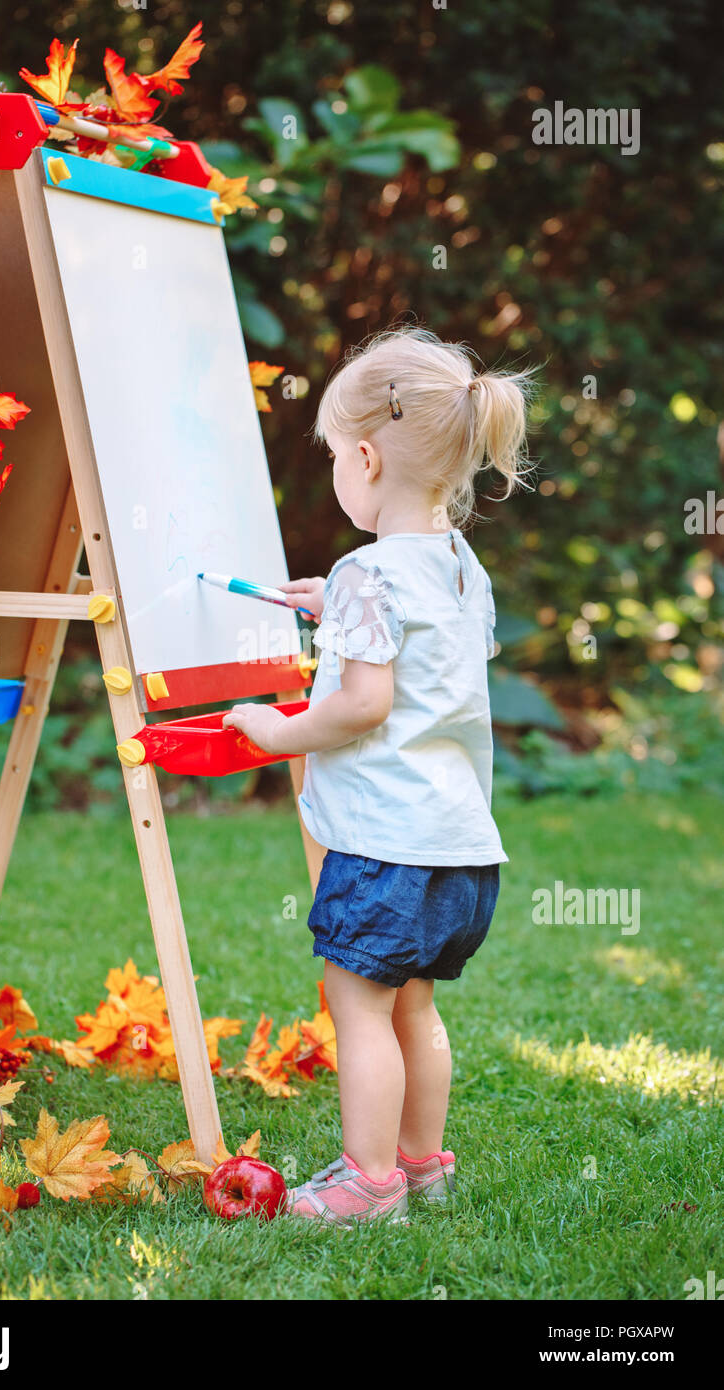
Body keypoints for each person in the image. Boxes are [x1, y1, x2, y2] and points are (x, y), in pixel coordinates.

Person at [222, 326, 534, 1226]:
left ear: (365, 457)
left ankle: (367, 1184)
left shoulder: (369, 571)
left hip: (385, 850)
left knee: (358, 1010)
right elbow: (419, 640)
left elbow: (361, 703)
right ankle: (421, 1164)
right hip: (461, 852)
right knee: (416, 1010)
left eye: (331, 457)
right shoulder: (460, 568)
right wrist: (341, 603)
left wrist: (277, 732)